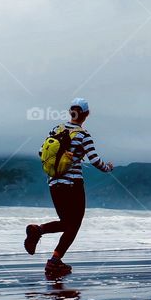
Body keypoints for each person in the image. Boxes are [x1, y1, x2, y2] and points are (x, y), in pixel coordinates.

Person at [25, 98, 113, 276]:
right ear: (87, 114)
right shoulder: (83, 134)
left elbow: (42, 152)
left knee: (66, 222)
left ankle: (38, 231)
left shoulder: (56, 129)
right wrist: (108, 168)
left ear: (70, 112)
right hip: (73, 183)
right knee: (74, 224)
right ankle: (54, 261)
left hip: (53, 182)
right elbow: (94, 160)